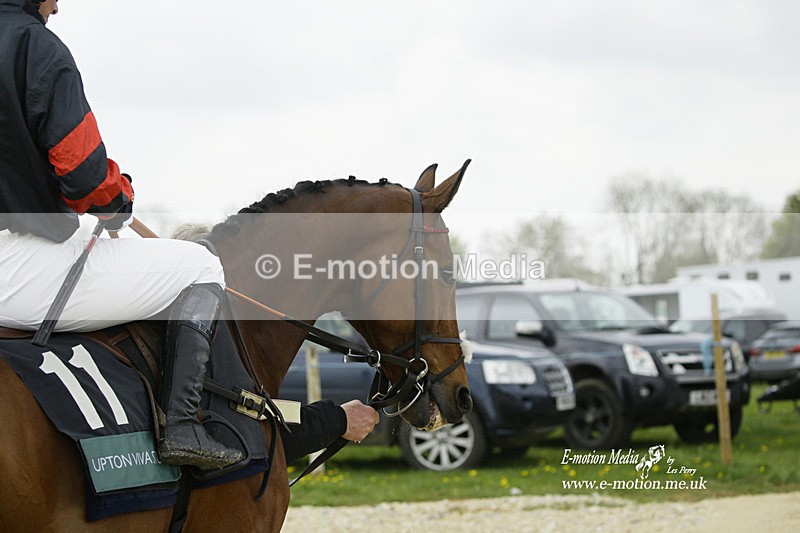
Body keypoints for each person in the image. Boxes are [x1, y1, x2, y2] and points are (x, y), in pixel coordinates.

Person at [0, 0, 380, 471]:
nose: (58, 4)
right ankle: (183, 426)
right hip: (20, 265)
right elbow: (83, 172)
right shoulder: (35, 44)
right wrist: (117, 199)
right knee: (197, 264)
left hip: (23, 255)